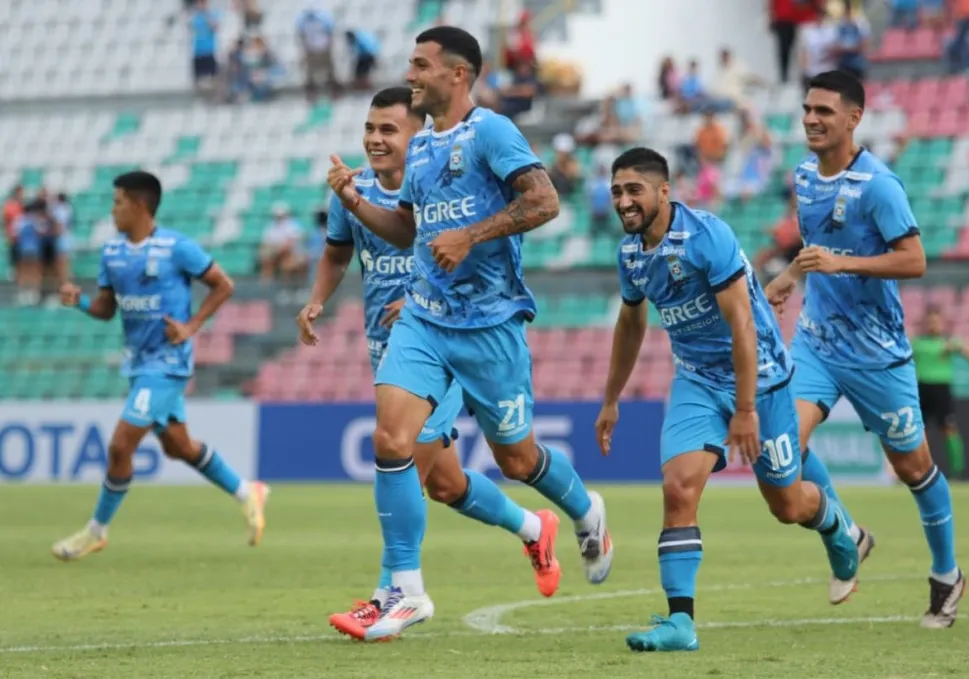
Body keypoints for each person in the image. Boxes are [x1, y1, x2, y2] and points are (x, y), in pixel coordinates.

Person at [326, 26, 614, 641]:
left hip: (490, 325)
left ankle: (585, 509)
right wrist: (353, 202)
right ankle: (405, 591)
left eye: (421, 65)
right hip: (425, 316)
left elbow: (544, 201)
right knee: (391, 440)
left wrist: (471, 235)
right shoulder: (421, 149)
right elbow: (407, 231)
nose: (411, 75)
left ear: (458, 74)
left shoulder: (491, 132)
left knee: (517, 458)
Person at [299, 86, 559, 641]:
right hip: (389, 348)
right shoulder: (355, 192)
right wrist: (317, 299)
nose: (374, 139)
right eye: (369, 128)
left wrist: (418, 300)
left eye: (388, 129)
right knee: (445, 483)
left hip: (440, 341)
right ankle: (534, 528)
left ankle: (392, 596)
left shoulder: (445, 182)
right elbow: (337, 253)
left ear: (418, 137)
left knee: (402, 461)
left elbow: (452, 250)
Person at [596, 148, 860, 653]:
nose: (624, 201)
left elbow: (742, 324)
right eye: (616, 192)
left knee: (787, 505)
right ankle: (681, 622)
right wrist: (611, 399)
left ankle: (835, 525)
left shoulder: (706, 236)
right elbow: (631, 323)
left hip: (761, 380)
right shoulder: (630, 253)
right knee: (678, 488)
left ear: (664, 191)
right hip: (695, 380)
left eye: (634, 190)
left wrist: (745, 409)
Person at [765, 70, 964, 629]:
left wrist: (843, 263)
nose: (811, 119)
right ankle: (847, 532)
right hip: (816, 343)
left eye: (824, 111)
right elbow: (817, 247)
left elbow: (915, 260)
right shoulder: (804, 175)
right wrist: (789, 277)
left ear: (854, 118)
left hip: (877, 354)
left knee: (914, 469)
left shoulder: (880, 185)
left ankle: (947, 575)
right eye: (807, 109)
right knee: (783, 450)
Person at [51, 171, 269, 561]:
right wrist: (79, 302)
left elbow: (223, 285)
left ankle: (96, 531)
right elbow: (106, 309)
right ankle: (246, 491)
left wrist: (191, 326)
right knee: (178, 447)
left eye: (117, 202)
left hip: (167, 364)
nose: (112, 210)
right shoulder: (112, 253)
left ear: (138, 205)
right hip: (138, 364)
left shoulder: (175, 247)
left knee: (121, 445)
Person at [912, 307, 969, 479]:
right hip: (921, 389)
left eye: (936, 321)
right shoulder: (917, 343)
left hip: (941, 390)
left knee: (949, 430)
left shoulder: (950, 342)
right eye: (930, 321)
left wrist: (961, 346)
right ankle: (921, 471)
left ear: (942, 323)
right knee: (920, 434)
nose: (933, 325)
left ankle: (957, 471)